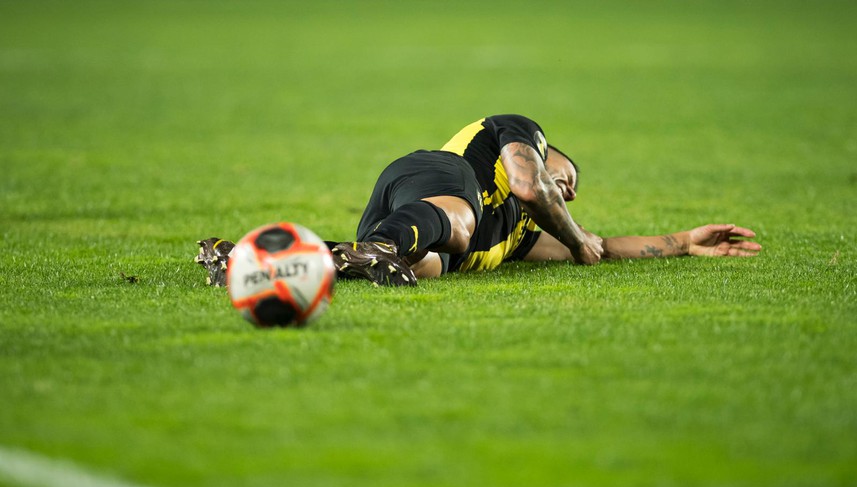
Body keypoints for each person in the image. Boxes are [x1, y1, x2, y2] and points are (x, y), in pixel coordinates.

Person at [195, 115, 760, 286]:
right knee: (462, 225)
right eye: (568, 176)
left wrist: (683, 241)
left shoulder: (519, 236)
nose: (568, 189)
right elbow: (532, 188)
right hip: (435, 174)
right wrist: (572, 231)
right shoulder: (516, 137)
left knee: (427, 264)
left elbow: (602, 247)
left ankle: (252, 259)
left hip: (414, 225)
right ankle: (381, 248)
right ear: (549, 153)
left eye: (573, 191)